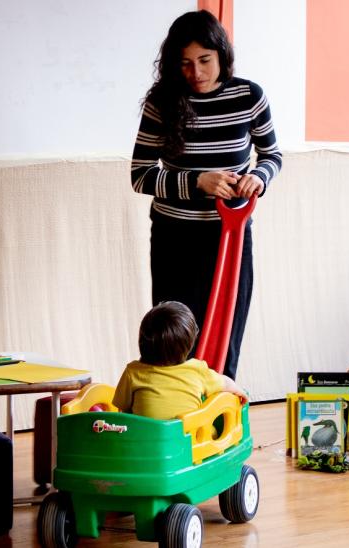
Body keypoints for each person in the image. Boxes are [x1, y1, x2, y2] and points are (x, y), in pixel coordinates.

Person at [130, 10, 282, 380]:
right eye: (184, 63)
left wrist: (257, 179)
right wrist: (199, 182)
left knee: (227, 330)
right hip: (173, 237)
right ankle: (175, 420)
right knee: (175, 337)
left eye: (204, 60)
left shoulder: (249, 96)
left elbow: (272, 156)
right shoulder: (161, 103)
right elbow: (140, 176)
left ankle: (217, 421)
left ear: (222, 55)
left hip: (229, 237)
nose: (195, 73)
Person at [113, 301, 247, 420]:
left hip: (148, 443)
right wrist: (240, 391)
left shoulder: (133, 372)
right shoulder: (197, 370)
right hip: (191, 441)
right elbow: (225, 383)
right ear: (189, 344)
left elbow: (122, 410)